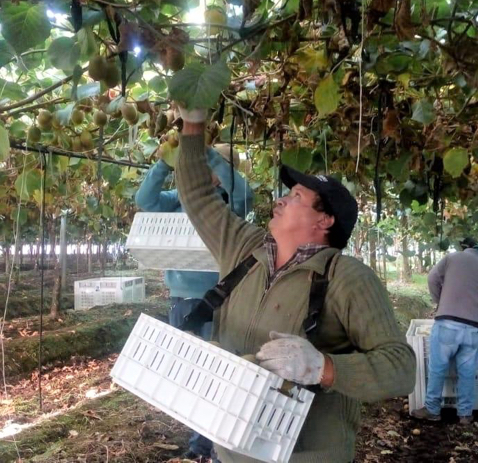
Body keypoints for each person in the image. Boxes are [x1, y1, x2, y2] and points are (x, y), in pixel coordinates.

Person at [174, 106, 416, 463]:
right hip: (231, 448)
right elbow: (197, 195)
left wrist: (323, 368)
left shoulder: (348, 278)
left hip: (307, 455)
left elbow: (401, 368)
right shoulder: (243, 247)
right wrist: (193, 125)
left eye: (297, 197)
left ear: (325, 220)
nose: (280, 199)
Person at [134, 142, 253, 460]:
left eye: (210, 166)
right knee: (192, 378)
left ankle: (213, 447)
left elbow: (244, 194)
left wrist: (210, 154)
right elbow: (145, 200)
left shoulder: (227, 205)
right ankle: (202, 445)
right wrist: (165, 162)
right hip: (181, 301)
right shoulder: (180, 199)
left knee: (218, 378)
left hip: (219, 302)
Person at [411, 248, 478, 424]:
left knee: (437, 368)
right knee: (467, 373)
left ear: (467, 251)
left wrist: (440, 302)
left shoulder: (452, 258)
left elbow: (432, 278)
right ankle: (465, 414)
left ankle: (432, 410)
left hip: (446, 324)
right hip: (472, 328)